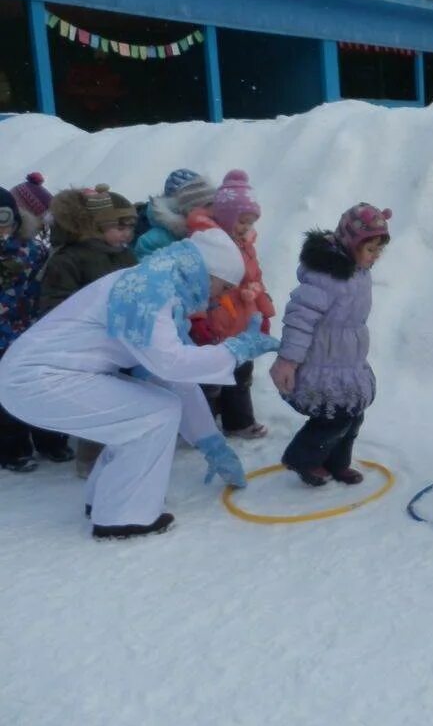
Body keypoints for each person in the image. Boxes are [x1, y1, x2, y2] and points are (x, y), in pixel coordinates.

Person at [0, 228, 280, 539]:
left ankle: (109, 499)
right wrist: (235, 350)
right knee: (153, 415)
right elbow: (172, 364)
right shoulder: (149, 290)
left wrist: (211, 444)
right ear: (205, 273)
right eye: (223, 286)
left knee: (147, 411)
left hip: (48, 376)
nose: (219, 296)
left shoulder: (159, 287)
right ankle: (122, 516)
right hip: (37, 379)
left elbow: (173, 379)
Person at [270, 204, 390, 487]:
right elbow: (299, 321)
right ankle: (302, 458)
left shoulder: (359, 271)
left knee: (353, 417)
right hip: (322, 363)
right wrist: (288, 360)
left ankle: (338, 463)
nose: (375, 256)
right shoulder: (325, 277)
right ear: (351, 244)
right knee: (333, 419)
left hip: (347, 360)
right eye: (370, 249)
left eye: (378, 250)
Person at [38, 185, 140, 478]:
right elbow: (55, 303)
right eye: (118, 228)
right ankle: (90, 459)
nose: (126, 235)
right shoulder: (68, 258)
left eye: (130, 227)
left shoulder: (124, 256)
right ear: (96, 226)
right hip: (88, 346)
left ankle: (123, 448)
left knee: (125, 397)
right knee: (99, 402)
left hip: (123, 341)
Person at [189, 170, 274, 440]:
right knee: (211, 378)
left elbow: (256, 277)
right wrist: (198, 318)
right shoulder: (206, 244)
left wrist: (264, 312)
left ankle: (238, 422)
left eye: (250, 222)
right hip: (217, 321)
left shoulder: (246, 244)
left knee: (241, 372)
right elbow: (195, 285)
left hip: (242, 319)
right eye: (242, 221)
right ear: (226, 216)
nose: (246, 227)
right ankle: (200, 426)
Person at [0, 183, 73, 471]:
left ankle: (52, 440)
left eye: (3, 218)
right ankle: (13, 449)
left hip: (33, 333)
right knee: (5, 398)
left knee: (43, 388)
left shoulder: (32, 249)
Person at [133, 169, 216, 259]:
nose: (212, 211)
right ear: (187, 209)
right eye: (206, 205)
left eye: (213, 203)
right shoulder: (151, 242)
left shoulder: (216, 225)